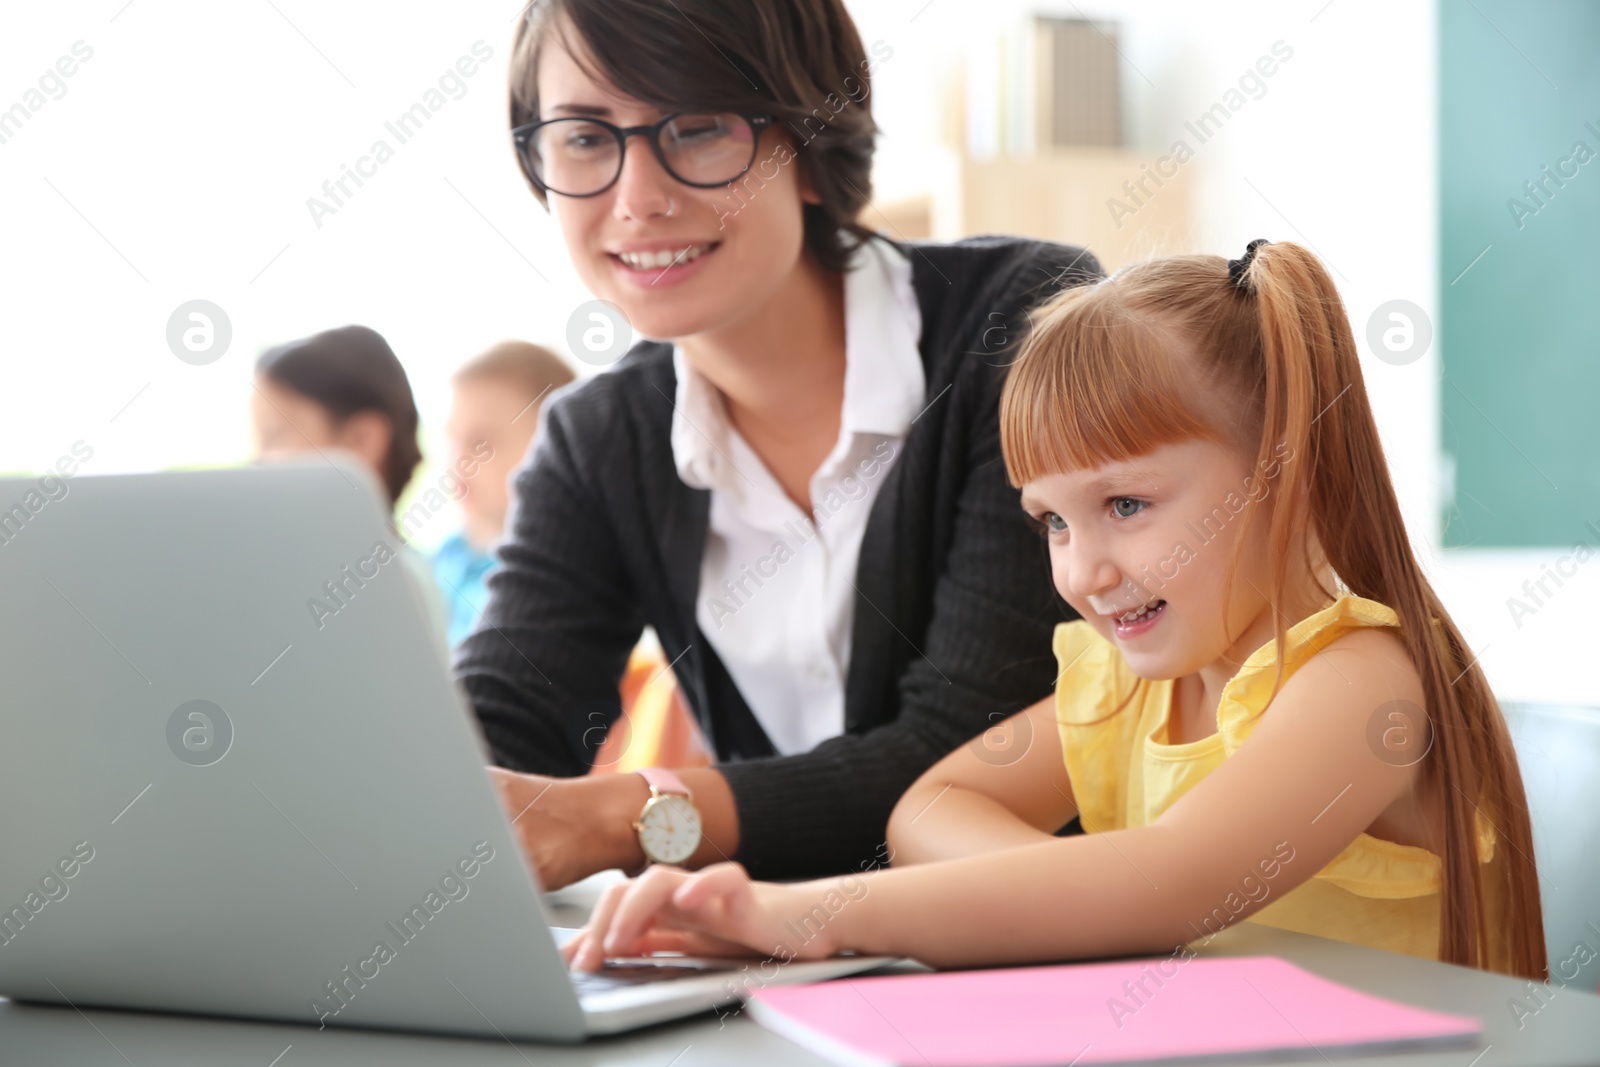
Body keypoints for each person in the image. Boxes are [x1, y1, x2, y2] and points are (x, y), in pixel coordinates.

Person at [560, 240, 1549, 983]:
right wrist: (1083, 899)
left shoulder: (1357, 683)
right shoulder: (1121, 688)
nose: (1083, 568)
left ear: (1286, 467)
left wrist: (807, 910)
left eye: (1126, 505)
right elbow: (926, 811)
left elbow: (1169, 880)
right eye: (1050, 521)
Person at [455, 0, 1102, 891]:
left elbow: (964, 758)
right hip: (782, 969)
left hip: (1053, 951)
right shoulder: (596, 440)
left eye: (701, 128)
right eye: (583, 138)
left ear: (808, 139)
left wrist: (630, 816)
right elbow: (497, 735)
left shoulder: (1023, 326)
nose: (637, 200)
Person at [250, 324, 449, 649]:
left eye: (274, 436)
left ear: (362, 440)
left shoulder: (402, 585)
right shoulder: (278, 576)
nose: (258, 462)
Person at [434, 341, 575, 647]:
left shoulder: (562, 580)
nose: (460, 462)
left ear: (555, 449)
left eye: (482, 444)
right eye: (452, 441)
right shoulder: (447, 555)